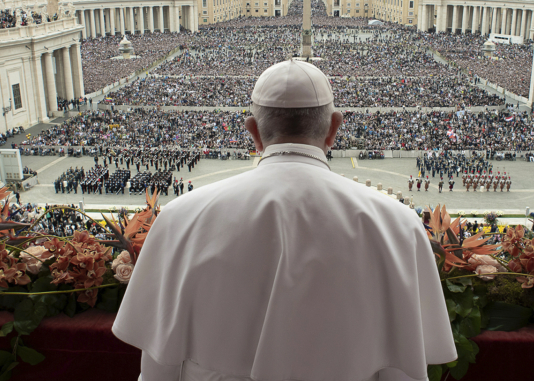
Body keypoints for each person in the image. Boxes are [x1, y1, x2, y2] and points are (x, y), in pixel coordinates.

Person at [113, 59, 456, 381]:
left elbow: (159, 366)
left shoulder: (179, 217)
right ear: (334, 127)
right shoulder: (397, 223)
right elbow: (402, 367)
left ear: (253, 131)